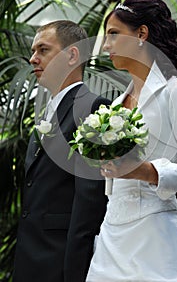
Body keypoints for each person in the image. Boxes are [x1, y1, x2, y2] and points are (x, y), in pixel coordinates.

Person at [86, 0, 177, 282]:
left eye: (113, 34)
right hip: (111, 240)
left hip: (157, 242)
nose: (105, 45)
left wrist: (147, 171)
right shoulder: (112, 108)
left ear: (141, 34)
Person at [13, 20, 110, 282]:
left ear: (72, 55)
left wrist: (75, 273)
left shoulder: (93, 109)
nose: (33, 59)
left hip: (60, 262)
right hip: (29, 258)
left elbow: (89, 202)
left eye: (43, 50)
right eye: (33, 51)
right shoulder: (47, 113)